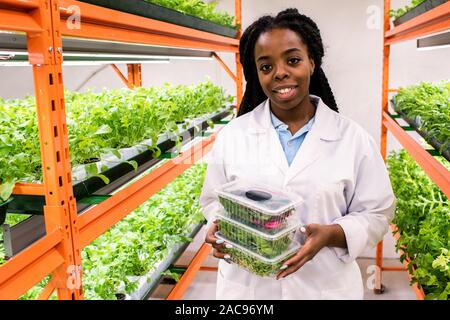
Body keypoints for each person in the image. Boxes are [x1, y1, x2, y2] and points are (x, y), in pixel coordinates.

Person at [200, 8, 396, 300]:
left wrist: (331, 234)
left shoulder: (353, 139)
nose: (280, 73)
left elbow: (377, 213)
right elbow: (213, 201)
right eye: (266, 67)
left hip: (323, 288)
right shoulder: (234, 136)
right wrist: (220, 227)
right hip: (251, 291)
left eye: (292, 60)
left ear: (312, 63)